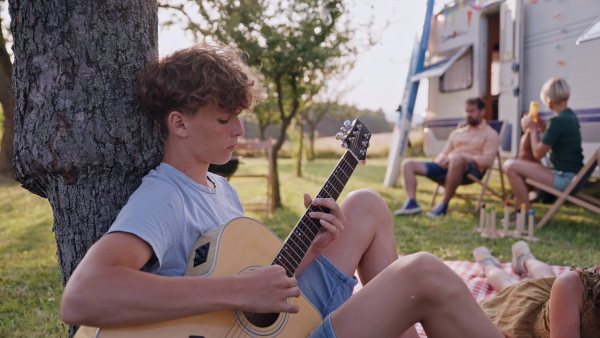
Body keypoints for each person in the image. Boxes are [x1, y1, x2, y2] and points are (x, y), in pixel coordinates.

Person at [60, 43, 504, 338]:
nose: (239, 129)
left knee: (366, 204)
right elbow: (83, 296)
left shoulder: (219, 188)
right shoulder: (165, 196)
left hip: (273, 322)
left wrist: (310, 251)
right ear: (179, 124)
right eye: (223, 120)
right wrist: (240, 291)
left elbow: (248, 278)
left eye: (239, 116)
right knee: (422, 272)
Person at [395, 98, 500, 217]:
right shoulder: (457, 132)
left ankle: (443, 205)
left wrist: (462, 157)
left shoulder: (490, 134)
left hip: (470, 172)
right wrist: (442, 159)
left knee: (457, 159)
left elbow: (487, 161)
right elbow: (444, 153)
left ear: (482, 112)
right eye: (466, 111)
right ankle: (411, 203)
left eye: (472, 111)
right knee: (408, 164)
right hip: (447, 167)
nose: (468, 115)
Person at [473, 241, 600, 337]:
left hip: (561, 299)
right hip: (531, 313)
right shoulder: (578, 285)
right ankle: (487, 263)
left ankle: (525, 257)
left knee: (548, 278)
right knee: (510, 285)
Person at [502, 77, 584, 216]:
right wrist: (542, 128)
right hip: (576, 176)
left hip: (565, 178)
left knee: (510, 166)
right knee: (522, 162)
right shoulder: (569, 116)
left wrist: (533, 130)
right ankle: (520, 208)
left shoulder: (557, 120)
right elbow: (558, 138)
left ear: (548, 99)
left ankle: (523, 213)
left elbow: (538, 153)